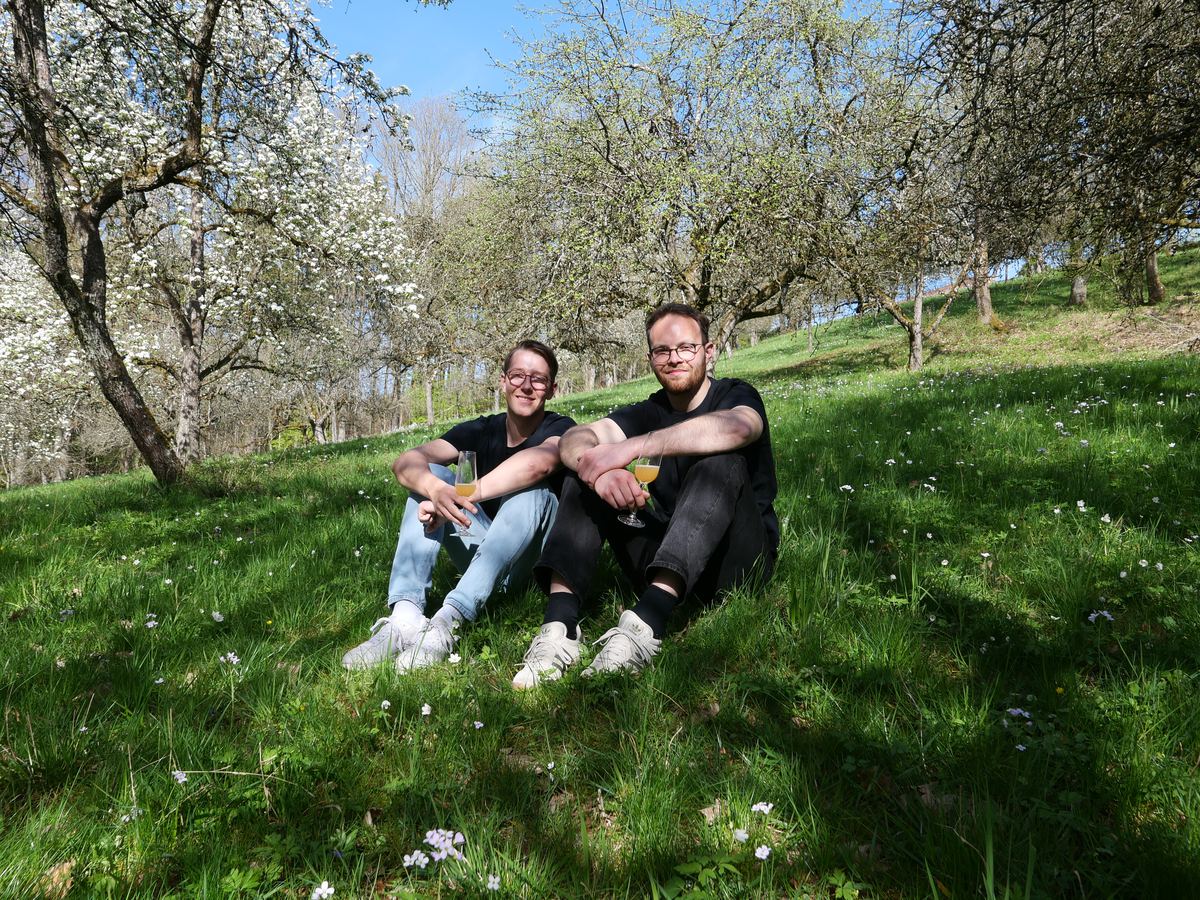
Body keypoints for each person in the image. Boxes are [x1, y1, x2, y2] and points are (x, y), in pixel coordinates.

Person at [512, 303, 778, 688]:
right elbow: (574, 439)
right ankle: (559, 629)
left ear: (709, 351)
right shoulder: (648, 410)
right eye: (662, 351)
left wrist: (628, 450)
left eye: (686, 348)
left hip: (736, 566)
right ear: (651, 358)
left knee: (721, 460)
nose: (674, 359)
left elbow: (739, 428)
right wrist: (599, 471)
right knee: (583, 473)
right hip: (665, 556)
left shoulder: (735, 396)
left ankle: (643, 626)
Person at [343, 340, 575, 671]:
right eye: (518, 375)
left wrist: (459, 496)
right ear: (503, 381)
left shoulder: (560, 428)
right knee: (433, 473)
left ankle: (447, 622)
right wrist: (436, 489)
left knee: (533, 493)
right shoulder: (482, 429)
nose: (526, 385)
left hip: (526, 565)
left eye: (537, 379)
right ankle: (405, 616)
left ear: (551, 389)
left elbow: (538, 464)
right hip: (479, 552)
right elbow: (407, 461)